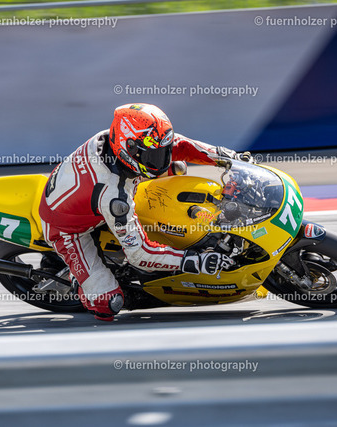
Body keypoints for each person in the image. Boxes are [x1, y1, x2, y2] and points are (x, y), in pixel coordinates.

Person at [39, 103, 251, 321]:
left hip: (90, 194)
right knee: (108, 304)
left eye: (162, 152)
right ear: (129, 149)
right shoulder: (114, 195)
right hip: (67, 229)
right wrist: (196, 261)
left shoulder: (118, 140)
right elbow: (140, 255)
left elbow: (180, 145)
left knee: (177, 167)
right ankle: (79, 280)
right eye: (154, 156)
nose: (162, 160)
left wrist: (226, 156)